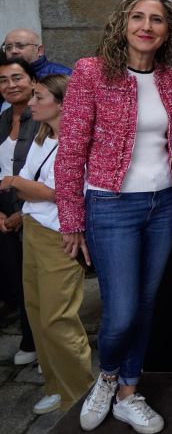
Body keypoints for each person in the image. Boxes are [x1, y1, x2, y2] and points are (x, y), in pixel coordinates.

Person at [54, 0, 172, 433]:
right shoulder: (91, 72)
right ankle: (107, 377)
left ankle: (129, 390)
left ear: (168, 31)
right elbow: (70, 150)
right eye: (138, 18)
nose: (147, 26)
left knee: (146, 306)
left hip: (163, 203)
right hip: (110, 205)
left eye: (157, 20)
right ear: (123, 25)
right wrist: (71, 218)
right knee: (122, 310)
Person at [1, 74, 94, 415]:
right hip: (34, 229)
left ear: (62, 102)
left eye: (39, 97)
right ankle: (57, 386)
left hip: (59, 236)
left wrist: (15, 182)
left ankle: (80, 395)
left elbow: (61, 193)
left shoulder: (77, 140)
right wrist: (22, 184)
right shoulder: (41, 136)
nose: (31, 103)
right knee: (38, 314)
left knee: (59, 319)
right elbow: (31, 184)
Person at [0, 58, 40, 366]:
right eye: (4, 80)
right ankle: (29, 339)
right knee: (15, 278)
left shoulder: (43, 120)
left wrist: (21, 213)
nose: (11, 85)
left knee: (38, 282)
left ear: (31, 80)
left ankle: (42, 344)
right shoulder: (1, 121)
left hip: (34, 209)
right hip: (4, 212)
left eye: (17, 77)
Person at [2, 29, 73, 78]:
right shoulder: (3, 75)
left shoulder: (64, 75)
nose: (13, 51)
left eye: (20, 46)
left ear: (39, 50)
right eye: (8, 47)